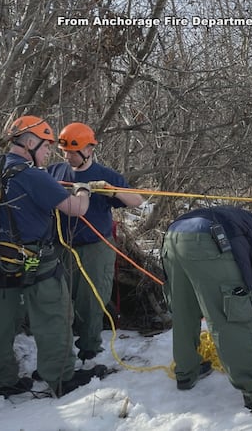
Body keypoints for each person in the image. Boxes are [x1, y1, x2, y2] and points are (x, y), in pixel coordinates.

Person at [0, 115, 105, 398]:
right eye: (47, 146)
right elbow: (76, 209)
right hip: (33, 258)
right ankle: (61, 377)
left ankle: (0, 380)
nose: (50, 153)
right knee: (54, 314)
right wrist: (84, 190)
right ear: (31, 142)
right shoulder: (32, 174)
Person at [160, 206, 252, 410]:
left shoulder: (245, 223)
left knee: (185, 312)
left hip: (173, 236)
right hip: (207, 241)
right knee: (232, 315)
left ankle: (186, 372)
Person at [48, 122, 144, 368]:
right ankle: (60, 352)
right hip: (62, 245)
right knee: (57, 299)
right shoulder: (54, 172)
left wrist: (112, 192)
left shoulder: (106, 176)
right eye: (65, 151)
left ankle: (89, 350)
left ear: (89, 149)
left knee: (91, 300)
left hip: (95, 246)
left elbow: (137, 200)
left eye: (73, 151)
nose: (68, 156)